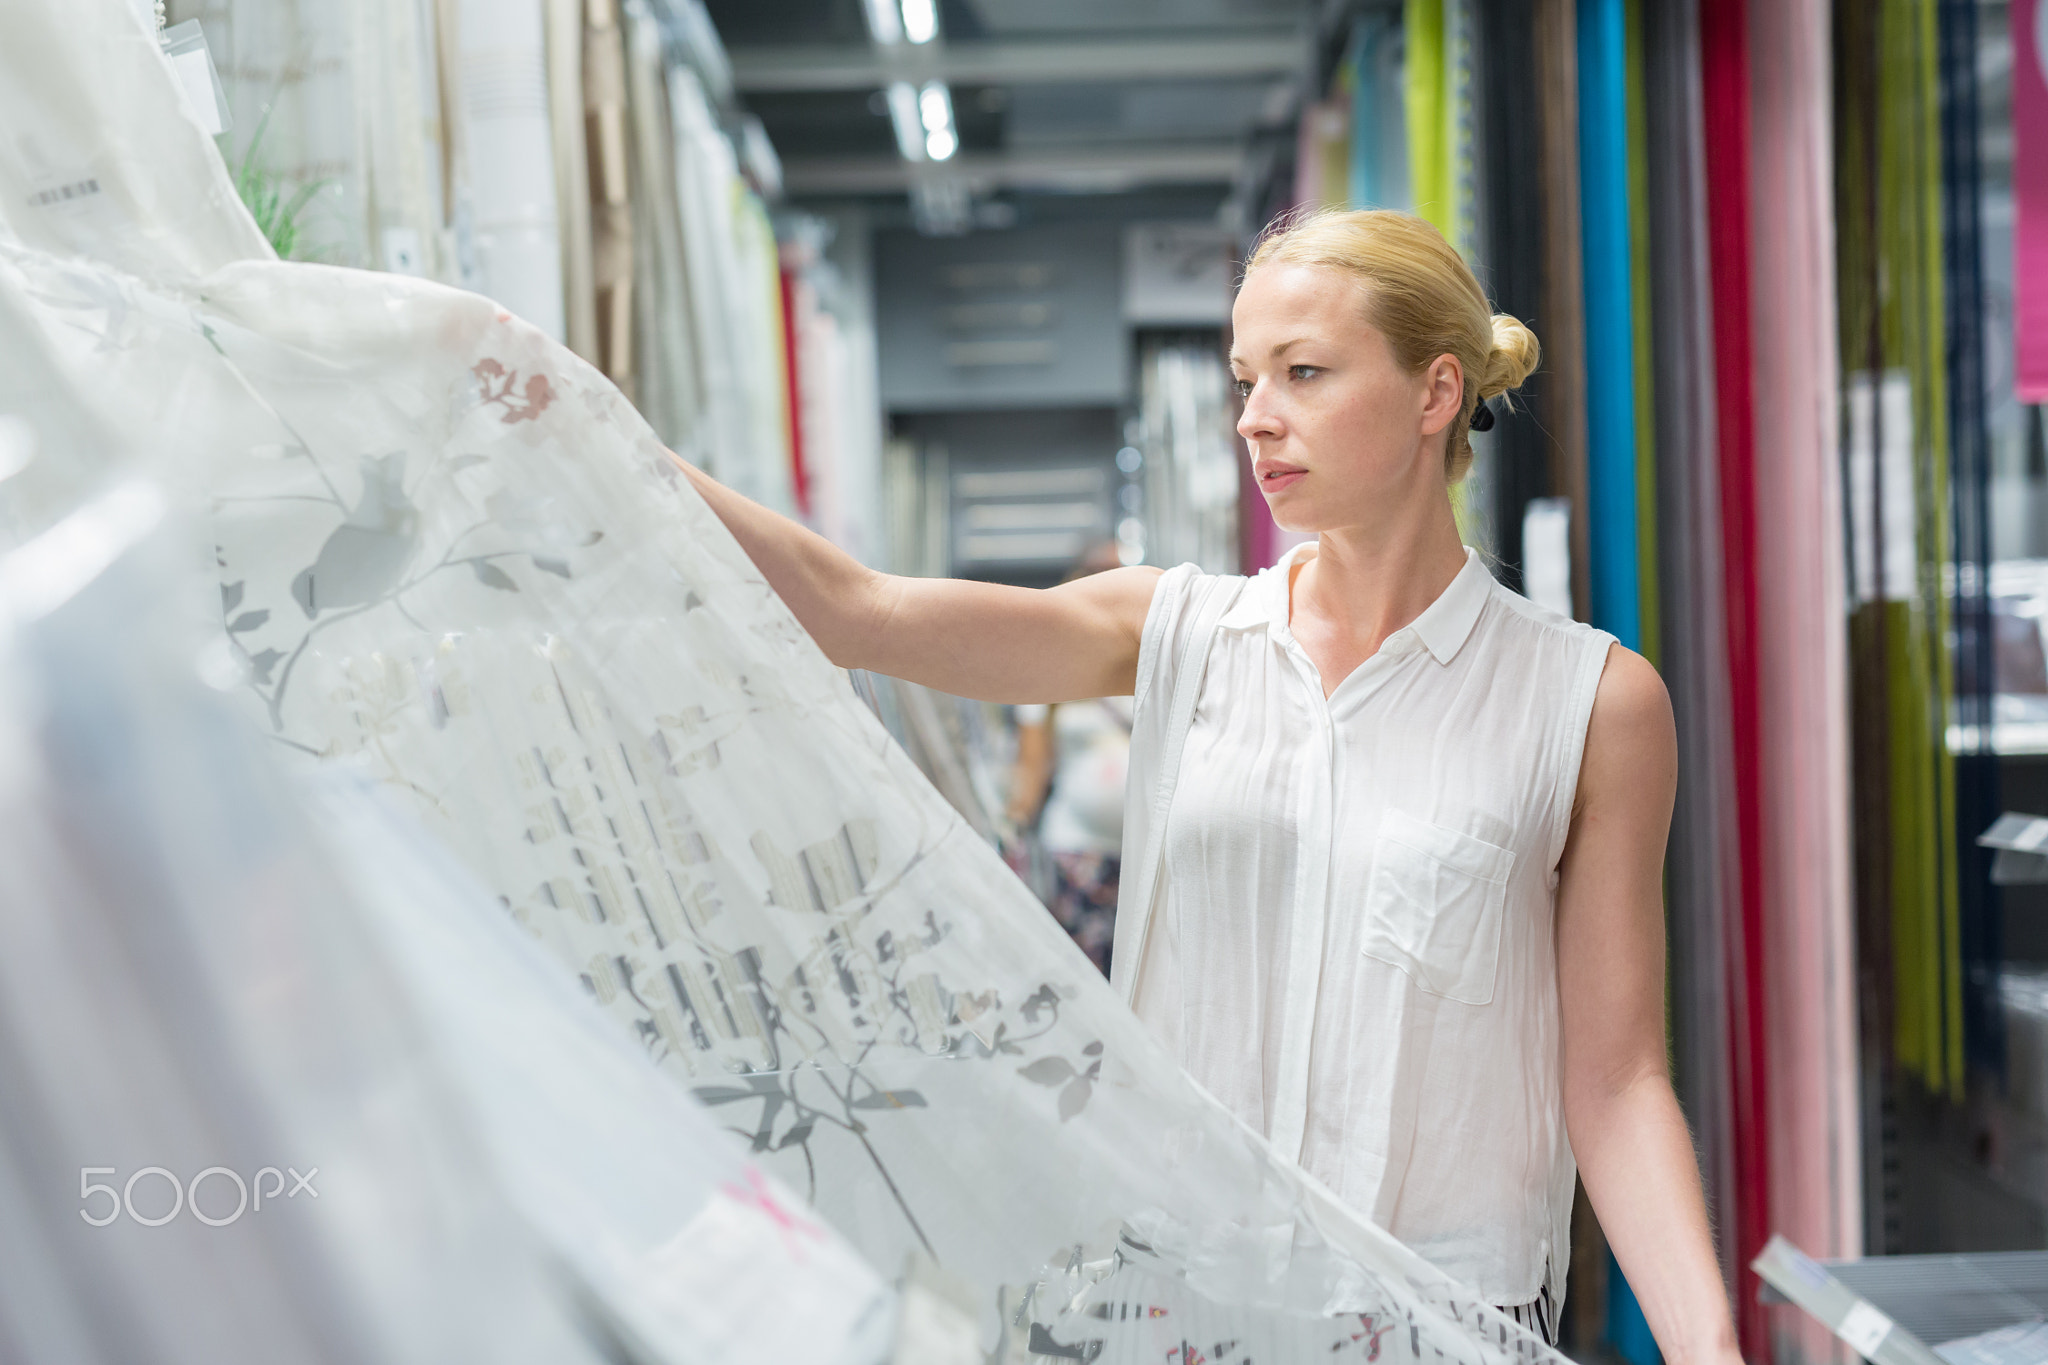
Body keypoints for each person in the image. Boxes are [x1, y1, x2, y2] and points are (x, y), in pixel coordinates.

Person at [675, 208, 1739, 1359]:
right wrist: (580, 421)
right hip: (1183, 1315)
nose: (1253, 417)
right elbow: (857, 612)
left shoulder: (1585, 703)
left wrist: (1705, 1347)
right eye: (1245, 377)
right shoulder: (1177, 634)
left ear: (1435, 394)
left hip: (1440, 1320)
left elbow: (1618, 1081)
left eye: (1302, 373)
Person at [1007, 544, 1132, 975]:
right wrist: (1014, 825)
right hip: (1076, 848)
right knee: (1090, 972)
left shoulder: (1152, 655)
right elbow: (1032, 762)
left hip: (1147, 851)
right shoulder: (1047, 672)